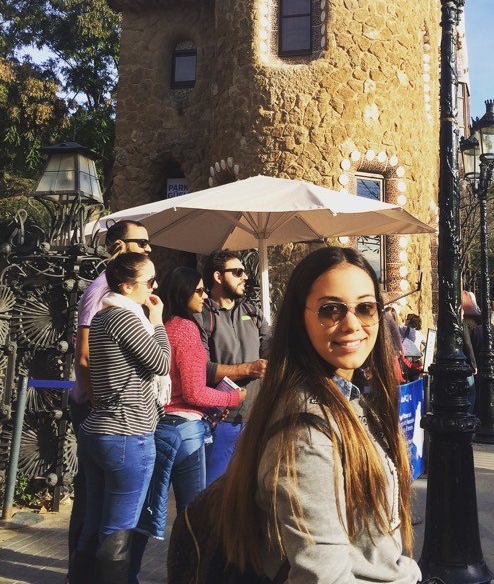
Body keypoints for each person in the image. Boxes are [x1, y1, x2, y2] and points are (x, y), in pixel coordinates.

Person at [212, 246, 421, 582]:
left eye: (365, 308)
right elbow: (324, 576)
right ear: (300, 318)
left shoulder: (349, 400)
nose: (352, 324)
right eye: (331, 310)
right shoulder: (307, 434)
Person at [131, 267, 246, 576]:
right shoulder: (186, 330)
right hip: (186, 432)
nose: (204, 295)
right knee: (193, 518)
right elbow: (195, 392)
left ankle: (127, 574)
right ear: (183, 295)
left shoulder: (160, 327)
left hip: (159, 426)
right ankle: (190, 577)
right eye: (198, 290)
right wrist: (232, 399)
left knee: (146, 511)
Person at [74, 252, 170, 584]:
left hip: (100, 432)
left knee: (94, 525)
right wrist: (157, 321)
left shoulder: (102, 317)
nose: (154, 288)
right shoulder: (126, 319)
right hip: (128, 435)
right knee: (118, 532)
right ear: (128, 286)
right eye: (149, 282)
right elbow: (161, 363)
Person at [67, 220, 151, 582]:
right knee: (97, 513)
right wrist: (99, 401)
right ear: (119, 244)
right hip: (105, 413)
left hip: (106, 416)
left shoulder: (121, 296)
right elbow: (83, 354)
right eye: (141, 242)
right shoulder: (103, 292)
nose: (148, 248)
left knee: (98, 515)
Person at [195, 250, 272, 485]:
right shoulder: (201, 315)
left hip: (254, 418)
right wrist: (248, 369)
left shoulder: (251, 311)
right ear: (218, 277)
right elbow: (201, 369)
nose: (245, 277)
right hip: (219, 421)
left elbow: (271, 348)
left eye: (244, 272)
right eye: (237, 272)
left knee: (248, 491)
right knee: (213, 490)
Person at [469, 311, 494, 417]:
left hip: (479, 367)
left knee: (479, 393)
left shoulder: (474, 332)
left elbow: (470, 350)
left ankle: (480, 414)